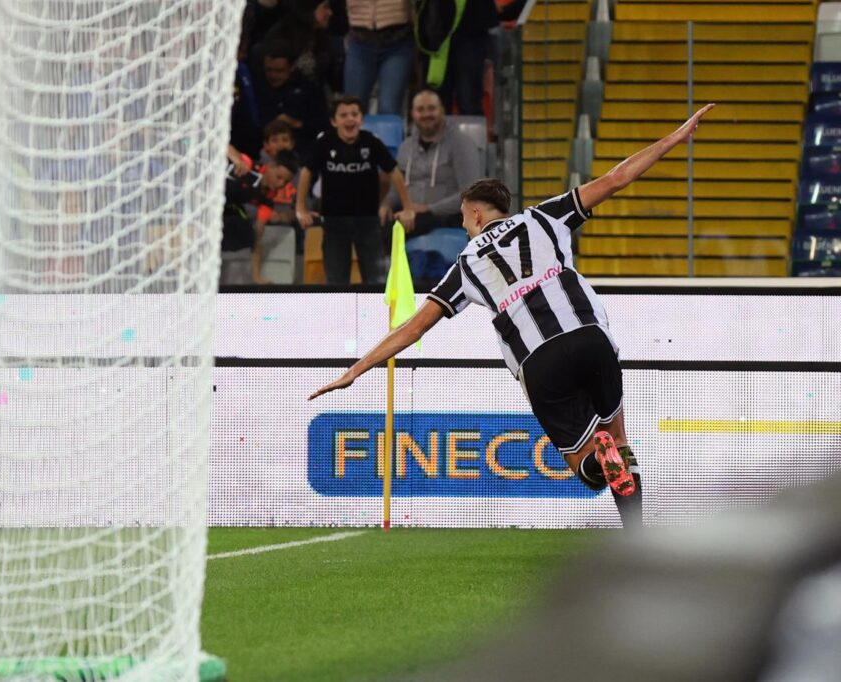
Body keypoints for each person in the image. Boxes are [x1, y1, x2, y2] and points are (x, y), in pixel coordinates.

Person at [309, 104, 717, 528]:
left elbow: (414, 326)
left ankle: (597, 462)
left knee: (586, 469)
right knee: (618, 439)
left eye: (467, 218)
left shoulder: (466, 263)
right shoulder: (546, 216)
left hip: (540, 360)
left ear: (478, 214)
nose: (466, 226)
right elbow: (617, 179)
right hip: (589, 335)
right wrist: (674, 137)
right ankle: (636, 531)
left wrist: (356, 369)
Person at [296, 95, 413, 284]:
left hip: (367, 221)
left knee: (376, 279)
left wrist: (408, 207)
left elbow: (394, 173)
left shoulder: (371, 142)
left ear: (361, 119)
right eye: (343, 115)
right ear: (334, 121)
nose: (350, 119)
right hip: (334, 222)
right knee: (336, 280)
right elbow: (306, 172)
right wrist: (300, 208)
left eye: (354, 114)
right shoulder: (325, 142)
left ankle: (378, 313)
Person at [381, 89, 480, 238]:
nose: (426, 114)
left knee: (392, 230)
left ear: (442, 111)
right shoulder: (406, 146)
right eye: (420, 110)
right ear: (413, 114)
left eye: (432, 108)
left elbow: (470, 194)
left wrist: (428, 209)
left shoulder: (461, 143)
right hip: (412, 213)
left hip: (449, 216)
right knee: (374, 223)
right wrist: (386, 205)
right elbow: (397, 188)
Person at [224, 150, 299, 284]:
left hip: (220, 209)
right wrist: (236, 159)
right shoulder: (248, 165)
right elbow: (224, 145)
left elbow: (257, 239)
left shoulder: (266, 202)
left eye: (286, 181)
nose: (281, 184)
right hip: (197, 192)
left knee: (248, 233)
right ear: (270, 166)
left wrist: (257, 276)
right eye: (279, 177)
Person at [254, 41, 329, 157]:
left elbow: (322, 125)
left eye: (279, 71)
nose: (273, 75)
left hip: (303, 152)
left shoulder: (310, 89)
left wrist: (296, 124)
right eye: (269, 70)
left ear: (292, 68)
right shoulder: (258, 86)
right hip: (264, 153)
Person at [343, 0, 415, 116]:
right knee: (352, 108)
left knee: (389, 108)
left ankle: (389, 134)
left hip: (398, 41)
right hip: (359, 41)